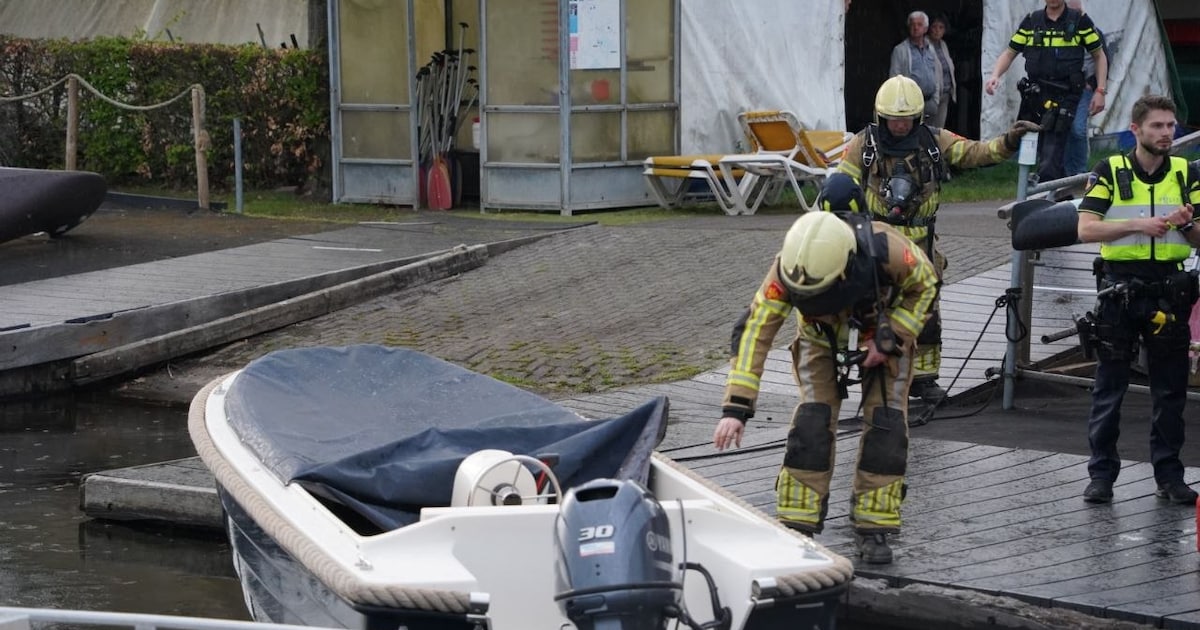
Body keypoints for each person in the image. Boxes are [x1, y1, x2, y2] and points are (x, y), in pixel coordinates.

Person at [713, 174, 939, 564]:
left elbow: (927, 285)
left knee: (886, 423)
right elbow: (755, 329)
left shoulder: (888, 249)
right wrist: (736, 408)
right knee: (812, 422)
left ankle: (875, 527)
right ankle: (796, 523)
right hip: (820, 340)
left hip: (881, 334)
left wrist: (890, 337)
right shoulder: (790, 263)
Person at [837, 75, 1039, 403]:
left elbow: (976, 152)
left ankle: (924, 379)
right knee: (874, 310)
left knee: (927, 314)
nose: (900, 126)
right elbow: (841, 186)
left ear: (919, 117)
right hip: (878, 243)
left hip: (921, 248)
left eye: (907, 120)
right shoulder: (864, 144)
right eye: (894, 120)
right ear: (881, 117)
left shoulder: (934, 141)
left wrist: (1010, 141)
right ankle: (873, 373)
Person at [1076, 94, 1200, 505]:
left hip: (1169, 291)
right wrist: (1138, 224)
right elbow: (1086, 230)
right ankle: (1101, 476)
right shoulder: (1109, 170)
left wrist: (1187, 227)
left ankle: (1169, 476)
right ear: (1136, 130)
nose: (1167, 134)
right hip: (1120, 290)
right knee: (1109, 388)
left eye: (1170, 126)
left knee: (1170, 392)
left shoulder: (1186, 173)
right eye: (1157, 126)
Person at [984, 0, 1108, 184]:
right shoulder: (1032, 21)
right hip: (1036, 95)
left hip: (1067, 95)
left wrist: (1100, 91)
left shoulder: (1079, 20)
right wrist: (995, 75)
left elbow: (1100, 56)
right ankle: (1039, 188)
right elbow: (1010, 53)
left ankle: (1060, 184)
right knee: (1029, 142)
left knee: (1055, 146)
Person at [1063, 0, 1110, 175]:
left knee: (1078, 129)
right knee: (1063, 129)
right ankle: (1065, 173)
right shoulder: (1059, 32)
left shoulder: (1094, 33)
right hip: (1062, 87)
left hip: (1084, 89)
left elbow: (1104, 60)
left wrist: (1096, 86)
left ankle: (1080, 172)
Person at [890, 11, 942, 122]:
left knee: (931, 137)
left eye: (919, 25)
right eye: (912, 24)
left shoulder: (930, 49)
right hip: (911, 105)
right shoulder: (900, 50)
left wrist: (936, 99)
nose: (915, 28)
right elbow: (894, 79)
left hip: (930, 103)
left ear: (925, 29)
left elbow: (936, 73)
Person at [927, 15, 957, 129]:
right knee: (928, 126)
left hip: (945, 93)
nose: (937, 30)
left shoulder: (943, 45)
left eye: (941, 27)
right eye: (934, 27)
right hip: (932, 94)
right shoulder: (924, 44)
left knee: (939, 127)